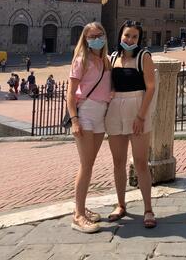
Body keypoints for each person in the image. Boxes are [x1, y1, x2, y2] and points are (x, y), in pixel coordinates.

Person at [105, 20, 158, 229]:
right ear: (120, 35)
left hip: (137, 109)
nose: (130, 40)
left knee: (141, 162)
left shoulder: (144, 57)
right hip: (114, 110)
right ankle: (120, 205)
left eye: (134, 37)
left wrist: (141, 116)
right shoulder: (113, 58)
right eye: (127, 35)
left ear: (139, 39)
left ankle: (148, 209)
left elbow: (151, 88)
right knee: (118, 162)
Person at [65, 22, 112, 233]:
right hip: (84, 115)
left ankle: (82, 207)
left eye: (99, 35)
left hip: (100, 116)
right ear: (85, 40)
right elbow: (70, 93)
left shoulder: (107, 61)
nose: (96, 39)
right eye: (92, 36)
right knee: (85, 166)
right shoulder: (80, 60)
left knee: (90, 165)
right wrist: (74, 120)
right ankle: (78, 215)